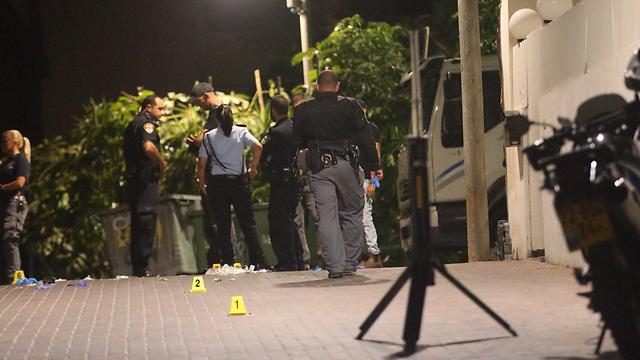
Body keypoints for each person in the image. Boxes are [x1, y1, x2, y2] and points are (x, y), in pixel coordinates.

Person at [293, 70, 381, 278]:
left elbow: (296, 142)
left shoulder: (303, 109)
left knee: (327, 216)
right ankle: (350, 262)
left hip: (319, 168)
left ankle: (335, 266)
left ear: (317, 86)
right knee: (352, 211)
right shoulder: (351, 105)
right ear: (338, 86)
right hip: (346, 164)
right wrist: (373, 165)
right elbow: (365, 136)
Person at [197, 105, 269, 269]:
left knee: (223, 224)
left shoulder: (209, 137)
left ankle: (228, 261)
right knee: (247, 223)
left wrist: (202, 183)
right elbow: (258, 146)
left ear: (216, 119)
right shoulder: (241, 132)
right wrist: (253, 167)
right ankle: (259, 260)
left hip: (217, 184)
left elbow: (202, 164)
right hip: (238, 182)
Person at [187, 82, 237, 269]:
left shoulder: (221, 114)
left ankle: (229, 260)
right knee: (213, 221)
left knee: (220, 219)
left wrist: (198, 141)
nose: (198, 105)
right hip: (213, 174)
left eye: (199, 101)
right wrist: (197, 142)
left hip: (218, 175)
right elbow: (204, 141)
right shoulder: (212, 116)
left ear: (207, 96)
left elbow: (209, 142)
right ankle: (221, 259)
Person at [123, 94, 166, 277]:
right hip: (145, 179)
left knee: (137, 223)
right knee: (147, 221)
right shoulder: (147, 124)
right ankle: (143, 268)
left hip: (133, 179)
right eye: (160, 109)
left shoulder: (131, 124)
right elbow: (148, 147)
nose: (162, 113)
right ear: (148, 108)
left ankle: (138, 267)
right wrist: (161, 162)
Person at [260, 95, 299, 271]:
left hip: (279, 182)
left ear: (273, 110)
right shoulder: (295, 128)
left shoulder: (275, 133)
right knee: (290, 220)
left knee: (278, 222)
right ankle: (297, 259)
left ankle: (286, 261)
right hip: (294, 181)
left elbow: (264, 153)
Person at [291, 89, 318, 270]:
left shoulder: (314, 128)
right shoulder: (293, 128)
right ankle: (305, 260)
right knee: (297, 221)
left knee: (319, 219)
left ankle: (326, 257)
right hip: (296, 181)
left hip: (312, 179)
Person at [0, 130, 31, 284]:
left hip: (16, 202)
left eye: (5, 140)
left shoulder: (20, 160)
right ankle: (12, 274)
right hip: (7, 203)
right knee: (7, 238)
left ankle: (15, 276)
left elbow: (20, 182)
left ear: (13, 142)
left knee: (11, 237)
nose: (2, 144)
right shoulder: (8, 162)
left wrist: (3, 188)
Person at [357, 100, 383, 268]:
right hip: (358, 177)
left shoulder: (370, 129)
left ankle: (373, 254)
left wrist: (374, 181)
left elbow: (376, 155)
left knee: (365, 216)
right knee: (361, 217)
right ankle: (365, 254)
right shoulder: (356, 129)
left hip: (366, 177)